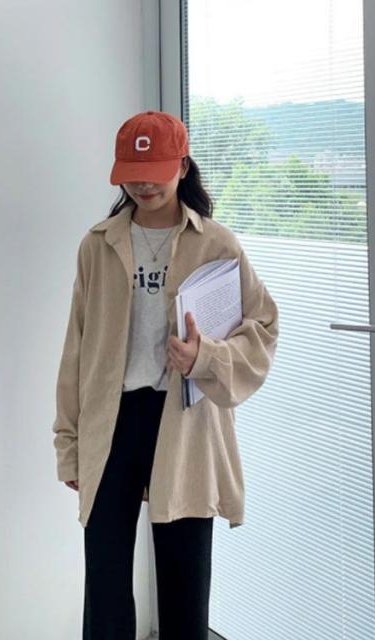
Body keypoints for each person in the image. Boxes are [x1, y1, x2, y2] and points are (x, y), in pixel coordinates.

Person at [52, 110, 279, 640]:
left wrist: (205, 358)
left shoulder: (216, 244)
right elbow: (76, 350)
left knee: (184, 581)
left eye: (154, 171)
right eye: (133, 172)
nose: (144, 184)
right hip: (110, 422)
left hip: (185, 421)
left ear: (182, 166)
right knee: (105, 582)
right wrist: (69, 443)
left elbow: (264, 329)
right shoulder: (98, 245)